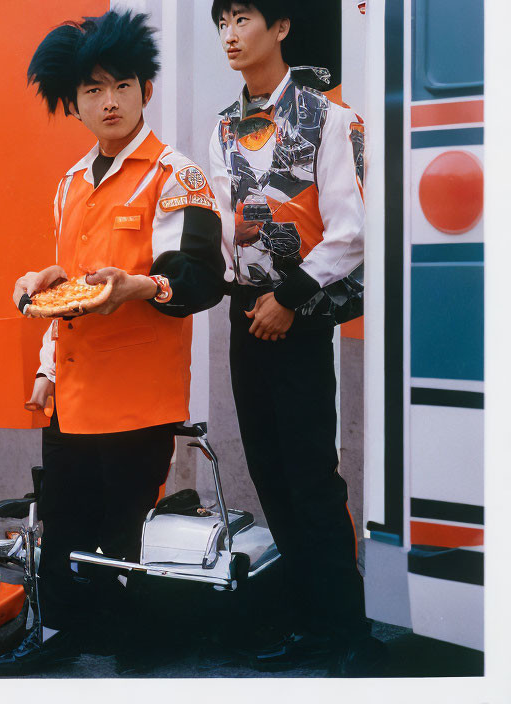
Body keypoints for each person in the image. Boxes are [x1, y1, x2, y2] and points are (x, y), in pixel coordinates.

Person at [0, 10, 225, 675]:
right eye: (92, 90)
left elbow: (200, 278)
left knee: (128, 532)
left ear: (145, 89)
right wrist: (43, 341)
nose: (109, 101)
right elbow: (65, 298)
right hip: (73, 390)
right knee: (62, 521)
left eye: (122, 84)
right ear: (74, 103)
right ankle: (60, 630)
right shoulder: (70, 185)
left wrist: (139, 286)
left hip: (137, 398)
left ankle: (139, 642)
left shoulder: (176, 177)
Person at [206, 0, 384, 676]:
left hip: (299, 313)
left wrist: (288, 298)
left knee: (309, 474)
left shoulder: (330, 119)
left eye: (244, 18)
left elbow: (353, 229)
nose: (230, 33)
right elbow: (227, 223)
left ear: (280, 27)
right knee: (269, 471)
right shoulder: (224, 124)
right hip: (245, 313)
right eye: (222, 22)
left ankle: (348, 632)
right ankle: (312, 621)